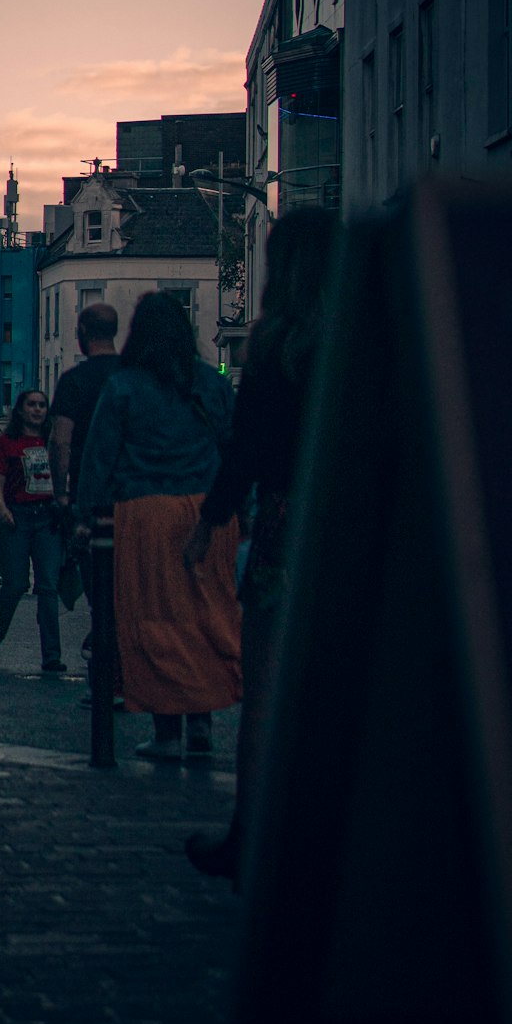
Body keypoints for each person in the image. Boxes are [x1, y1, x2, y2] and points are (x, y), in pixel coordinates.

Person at [182, 207, 338, 883]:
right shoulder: (362, 340)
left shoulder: (274, 346)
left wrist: (211, 521)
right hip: (347, 524)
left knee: (268, 690)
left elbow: (245, 450)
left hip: (283, 522)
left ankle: (251, 834)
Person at [76, 292, 240, 760]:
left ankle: (167, 731)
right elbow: (233, 448)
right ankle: (203, 723)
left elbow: (100, 457)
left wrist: (85, 515)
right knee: (207, 617)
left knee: (154, 623)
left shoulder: (124, 386)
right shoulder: (211, 383)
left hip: (146, 513)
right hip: (209, 512)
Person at [49, 301, 122, 704]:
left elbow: (61, 440)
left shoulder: (75, 381)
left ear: (81, 332)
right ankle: (126, 679)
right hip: (131, 496)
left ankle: (106, 680)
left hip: (90, 501)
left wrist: (63, 493)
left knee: (99, 594)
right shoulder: (131, 376)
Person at [0, 389, 65, 672]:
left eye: (42, 405)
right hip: (17, 517)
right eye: (32, 405)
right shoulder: (8, 442)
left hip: (47, 518)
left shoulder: (54, 441)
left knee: (48, 587)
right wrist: (1, 509)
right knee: (15, 584)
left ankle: (52, 656)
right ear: (20, 410)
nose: (38, 410)